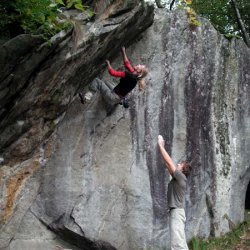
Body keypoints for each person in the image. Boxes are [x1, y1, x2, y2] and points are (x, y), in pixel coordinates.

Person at [79, 47, 148, 108]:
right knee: (105, 82)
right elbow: (127, 64)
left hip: (112, 97)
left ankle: (86, 98)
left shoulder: (129, 76)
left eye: (140, 66)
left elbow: (112, 73)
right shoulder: (134, 76)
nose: (139, 64)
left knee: (96, 81)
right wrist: (123, 51)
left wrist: (108, 63)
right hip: (118, 96)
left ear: (139, 72)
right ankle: (120, 101)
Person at [157, 135, 191, 250]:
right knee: (179, 243)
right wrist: (161, 149)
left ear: (183, 169)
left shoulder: (181, 177)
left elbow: (169, 162)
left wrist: (161, 145)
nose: (178, 164)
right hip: (175, 212)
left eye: (180, 164)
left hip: (176, 213)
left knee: (177, 245)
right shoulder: (178, 178)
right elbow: (168, 164)